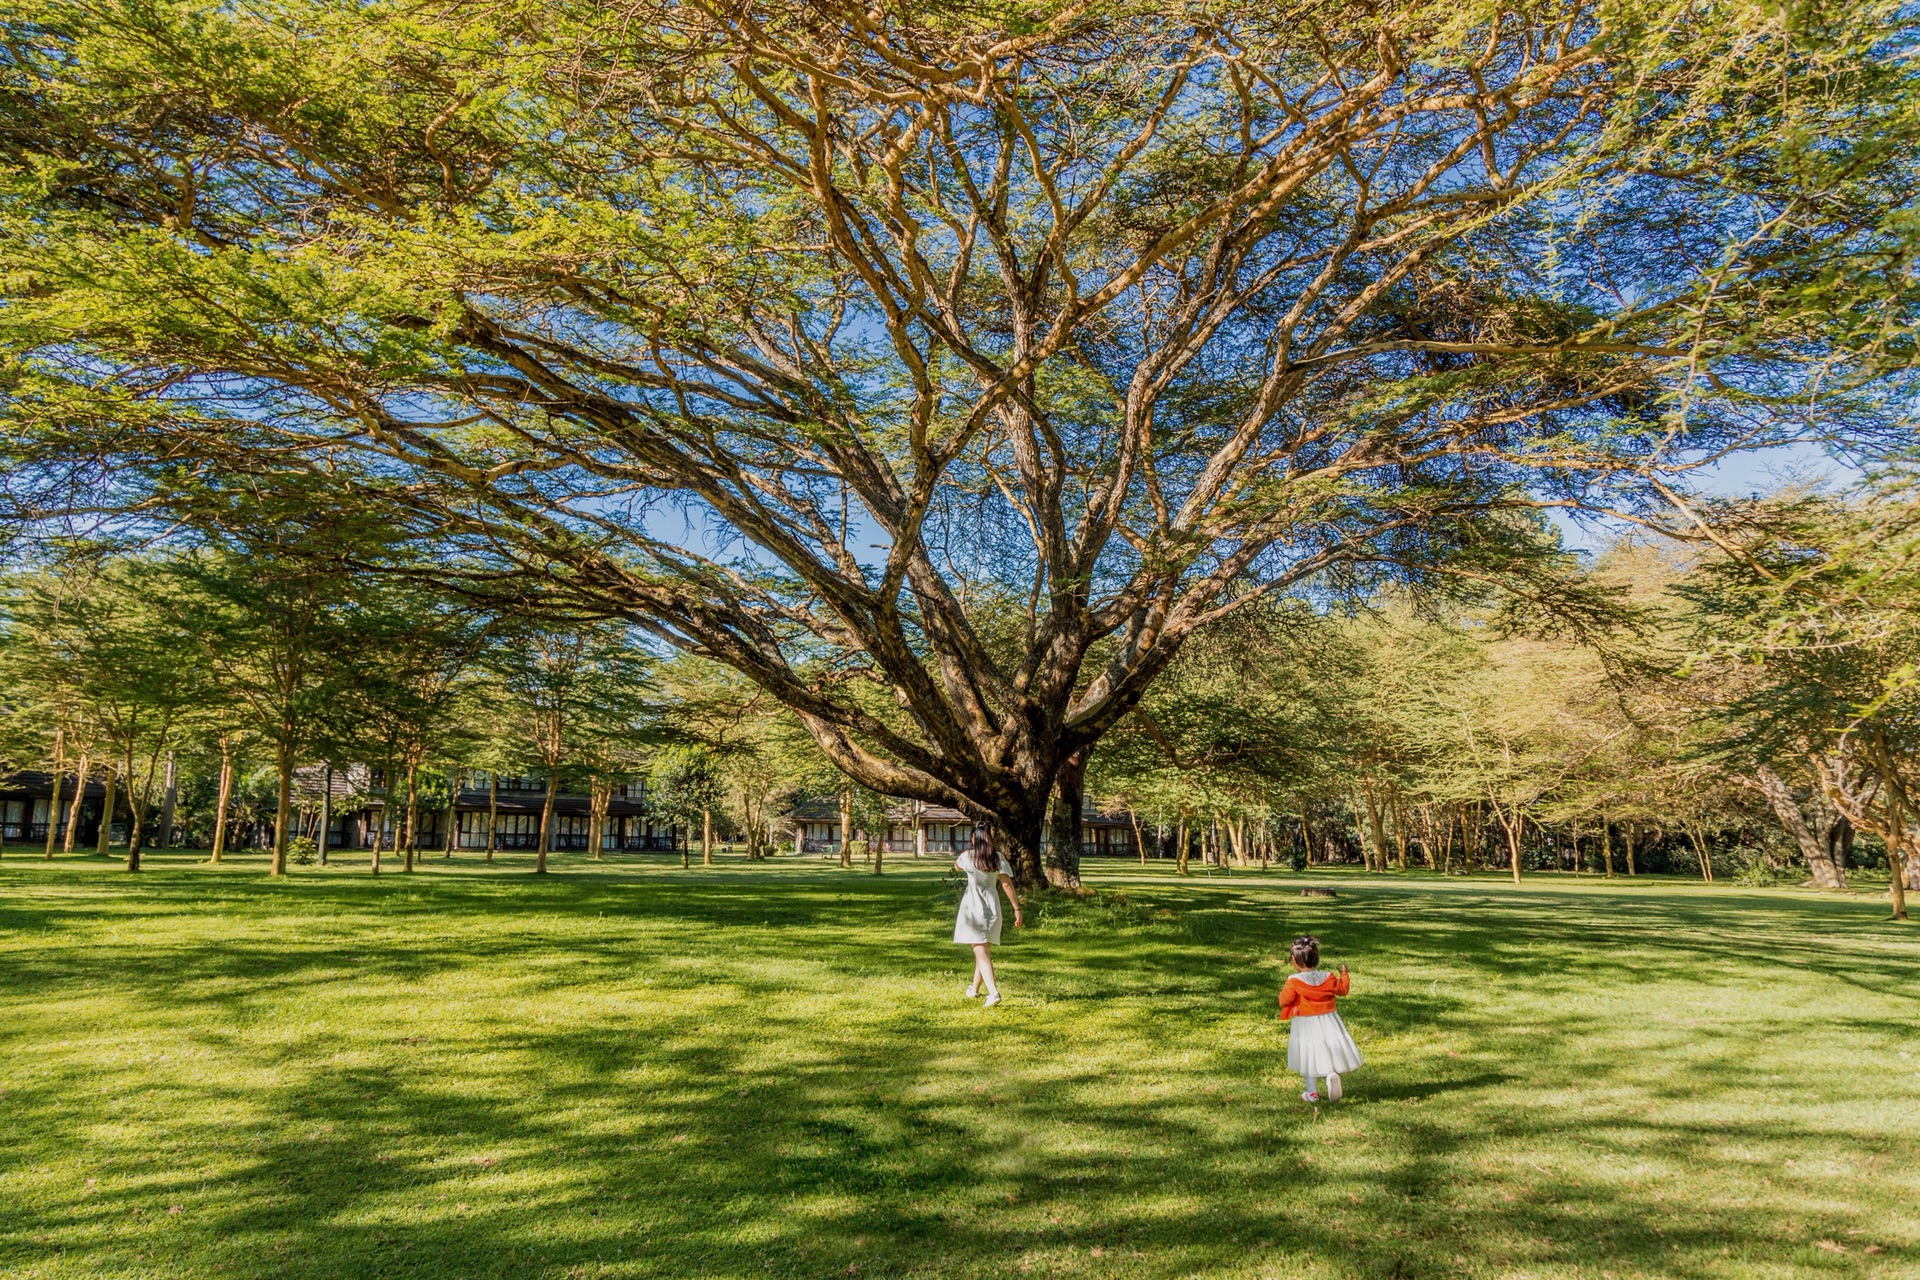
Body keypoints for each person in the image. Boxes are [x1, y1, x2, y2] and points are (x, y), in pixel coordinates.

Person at [1278, 934, 1361, 1102]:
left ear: (1294, 960)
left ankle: (1312, 1092)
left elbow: (1283, 1000)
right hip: (1329, 1020)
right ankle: (1331, 1074)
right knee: (1328, 1049)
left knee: (1307, 1054)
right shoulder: (1328, 977)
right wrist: (1344, 974)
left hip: (1305, 1022)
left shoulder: (1293, 981)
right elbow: (1342, 990)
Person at [954, 829, 1022, 1006]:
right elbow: (1006, 884)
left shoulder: (967, 856)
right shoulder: (997, 857)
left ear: (973, 838)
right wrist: (1016, 909)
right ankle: (974, 989)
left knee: (980, 950)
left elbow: (956, 866)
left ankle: (993, 993)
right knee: (983, 950)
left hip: (973, 906)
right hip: (993, 905)